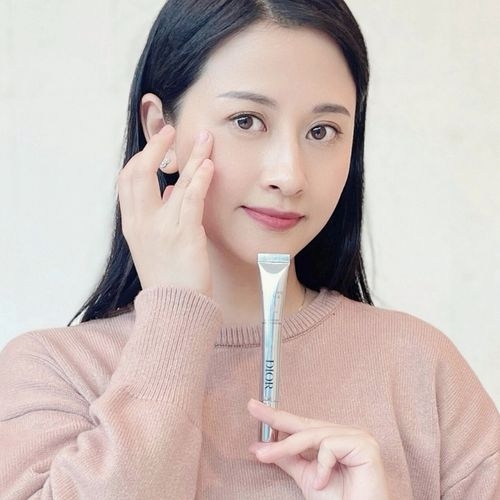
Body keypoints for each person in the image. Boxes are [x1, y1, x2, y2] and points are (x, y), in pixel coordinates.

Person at [0, 0, 498, 498]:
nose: (289, 175)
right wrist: (174, 316)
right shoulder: (56, 373)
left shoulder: (422, 369)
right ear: (159, 131)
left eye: (322, 131)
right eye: (247, 120)